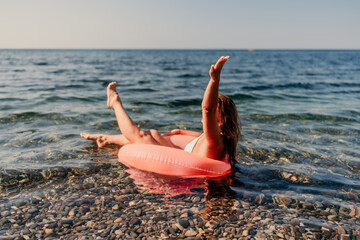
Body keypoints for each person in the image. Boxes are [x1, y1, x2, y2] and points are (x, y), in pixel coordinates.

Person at [81, 56, 241, 166]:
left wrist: (214, 80)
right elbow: (190, 134)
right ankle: (105, 139)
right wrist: (178, 131)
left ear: (218, 117)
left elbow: (207, 109)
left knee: (141, 136)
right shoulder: (213, 137)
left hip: (182, 166)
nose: (204, 116)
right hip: (182, 155)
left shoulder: (215, 141)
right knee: (154, 134)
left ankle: (115, 103)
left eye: (213, 114)